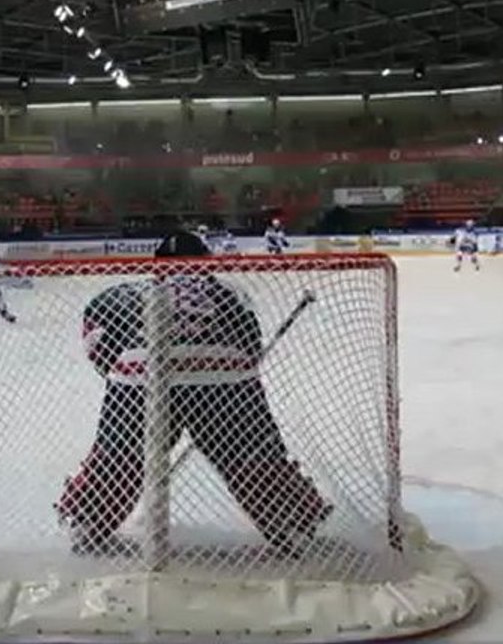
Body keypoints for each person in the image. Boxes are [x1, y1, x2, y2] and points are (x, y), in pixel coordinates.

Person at [55, 230, 330, 556]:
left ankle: (88, 519)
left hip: (140, 375)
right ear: (205, 261)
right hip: (224, 377)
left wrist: (126, 380)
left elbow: (97, 346)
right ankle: (292, 520)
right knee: (251, 459)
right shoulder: (229, 290)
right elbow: (250, 346)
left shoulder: (122, 293)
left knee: (120, 459)